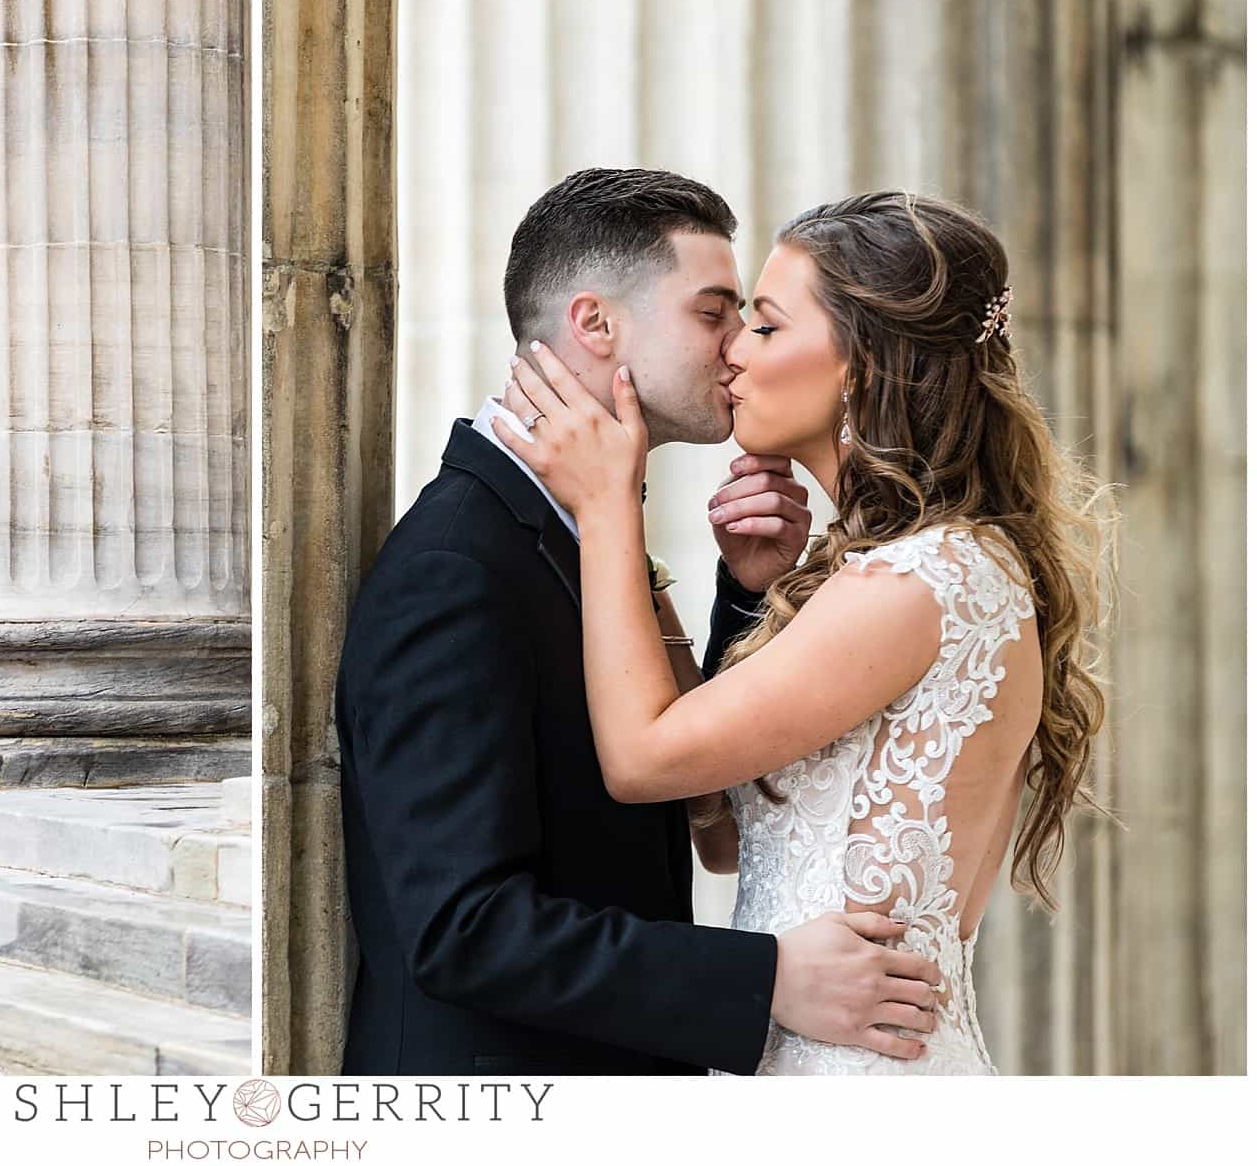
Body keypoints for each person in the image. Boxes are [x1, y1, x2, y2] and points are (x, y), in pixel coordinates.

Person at [334, 167, 949, 1076]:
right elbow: (463, 929)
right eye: (713, 314)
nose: (739, 345)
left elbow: (682, 779)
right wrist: (766, 980)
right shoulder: (455, 570)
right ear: (595, 325)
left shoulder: (579, 529)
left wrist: (745, 601)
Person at [495, 188, 1110, 1074]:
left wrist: (606, 506)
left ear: (860, 364)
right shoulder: (868, 573)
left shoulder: (924, 579)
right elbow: (722, 835)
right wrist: (748, 594)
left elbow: (640, 760)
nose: (732, 351)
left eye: (768, 328)